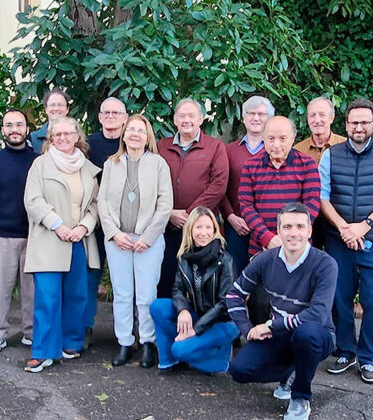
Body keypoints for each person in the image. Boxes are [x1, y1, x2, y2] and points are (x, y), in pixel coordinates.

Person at [227, 202, 338, 420]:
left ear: (309, 231)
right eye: (287, 227)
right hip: (280, 334)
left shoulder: (325, 264)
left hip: (318, 335)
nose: (293, 233)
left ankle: (300, 397)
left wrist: (269, 326)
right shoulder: (265, 259)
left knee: (306, 334)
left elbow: (317, 314)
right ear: (278, 231)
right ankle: (290, 369)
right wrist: (248, 329)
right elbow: (233, 295)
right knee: (239, 370)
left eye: (299, 226)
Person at [319, 99, 373, 384]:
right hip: (338, 239)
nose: (359, 127)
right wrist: (344, 228)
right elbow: (323, 196)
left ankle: (367, 359)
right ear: (346, 125)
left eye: (365, 122)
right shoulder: (331, 155)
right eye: (354, 122)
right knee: (340, 300)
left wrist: (363, 227)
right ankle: (345, 351)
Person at [23, 117, 101, 372]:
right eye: (58, 134)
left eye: (69, 133)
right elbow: (32, 200)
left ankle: (71, 343)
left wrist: (83, 227)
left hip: (79, 239)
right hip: (50, 238)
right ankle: (44, 351)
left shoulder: (88, 169)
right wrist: (58, 224)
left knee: (77, 295)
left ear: (77, 136)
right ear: (51, 138)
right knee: (47, 297)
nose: (63, 138)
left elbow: (95, 205)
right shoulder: (40, 165)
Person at [98, 114, 173, 368]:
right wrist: (114, 233)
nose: (135, 135)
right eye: (131, 130)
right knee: (122, 294)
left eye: (141, 130)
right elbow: (103, 203)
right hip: (118, 238)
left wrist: (148, 237)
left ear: (147, 136)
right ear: (124, 134)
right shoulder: (112, 163)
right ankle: (124, 342)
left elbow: (165, 205)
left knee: (146, 295)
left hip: (147, 240)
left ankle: (148, 343)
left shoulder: (158, 164)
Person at [149, 207, 239, 374]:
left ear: (214, 230)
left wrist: (194, 330)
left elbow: (224, 304)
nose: (203, 233)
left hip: (223, 322)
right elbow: (177, 289)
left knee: (180, 349)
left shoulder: (225, 260)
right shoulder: (185, 257)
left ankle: (221, 359)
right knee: (157, 307)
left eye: (208, 227)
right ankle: (168, 360)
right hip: (198, 313)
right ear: (190, 230)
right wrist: (183, 310)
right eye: (198, 227)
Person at [0, 109, 37, 354]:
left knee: (32, 291)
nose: (14, 129)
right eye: (9, 125)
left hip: (34, 236)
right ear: (2, 130)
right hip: (1, 236)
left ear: (27, 129)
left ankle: (31, 332)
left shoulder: (37, 160)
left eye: (19, 124)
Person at [157, 98, 228, 298]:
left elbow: (218, 185)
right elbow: (150, 184)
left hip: (201, 227)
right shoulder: (161, 147)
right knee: (167, 276)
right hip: (167, 224)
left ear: (201, 119)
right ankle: (169, 323)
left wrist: (191, 215)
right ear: (174, 120)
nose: (186, 120)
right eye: (182, 116)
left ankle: (200, 325)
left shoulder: (215, 147)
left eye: (191, 116)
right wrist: (169, 212)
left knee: (202, 279)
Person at [239, 116, 320, 259]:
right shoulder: (250, 166)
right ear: (263, 138)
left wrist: (290, 236)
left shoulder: (307, 164)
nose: (276, 145)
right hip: (261, 247)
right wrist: (267, 237)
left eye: (282, 139)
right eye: (271, 139)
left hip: (298, 246)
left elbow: (312, 204)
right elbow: (246, 206)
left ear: (292, 138)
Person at [84, 96, 128, 348]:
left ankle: (129, 333)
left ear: (125, 117)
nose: (110, 117)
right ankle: (86, 326)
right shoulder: (87, 144)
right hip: (95, 222)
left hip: (126, 224)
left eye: (116, 113)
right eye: (106, 113)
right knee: (91, 274)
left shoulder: (133, 141)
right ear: (99, 117)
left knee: (128, 279)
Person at [220, 96, 274, 272]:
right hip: (236, 225)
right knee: (235, 275)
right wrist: (230, 216)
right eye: (251, 113)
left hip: (269, 227)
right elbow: (220, 186)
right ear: (243, 118)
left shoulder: (277, 150)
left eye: (261, 114)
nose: (256, 118)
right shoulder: (228, 151)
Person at [294, 97, 347, 249]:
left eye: (322, 115)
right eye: (312, 115)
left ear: (332, 117)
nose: (317, 120)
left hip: (339, 214)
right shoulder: (298, 150)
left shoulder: (345, 146)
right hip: (309, 217)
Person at [30, 89, 70, 153]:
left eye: (60, 105)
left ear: (67, 109)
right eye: (52, 105)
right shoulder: (33, 138)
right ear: (46, 109)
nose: (56, 108)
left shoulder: (76, 135)